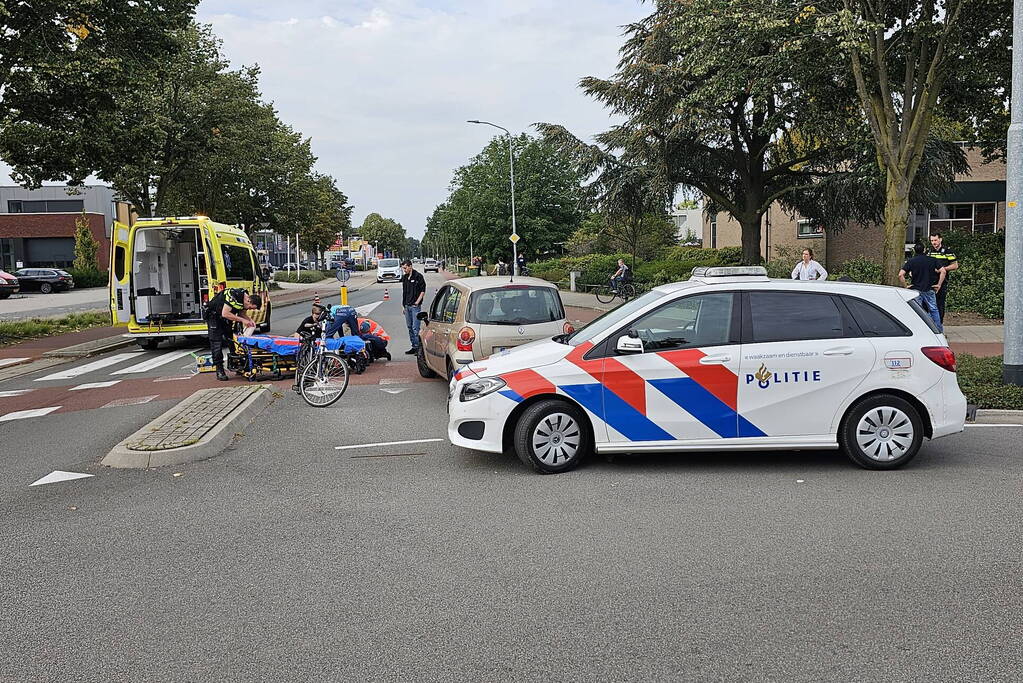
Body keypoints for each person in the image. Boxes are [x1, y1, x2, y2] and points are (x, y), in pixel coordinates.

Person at [203, 287, 261, 381]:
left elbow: (242, 313)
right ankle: (219, 370)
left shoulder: (245, 300)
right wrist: (243, 320)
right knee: (217, 343)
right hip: (214, 316)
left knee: (232, 341)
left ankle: (237, 365)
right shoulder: (234, 296)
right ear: (248, 300)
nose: (249, 309)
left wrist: (250, 321)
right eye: (250, 307)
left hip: (225, 318)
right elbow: (225, 313)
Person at [899, 243, 946, 331]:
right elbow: (943, 271)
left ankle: (920, 330)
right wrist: (939, 284)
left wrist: (906, 286)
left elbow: (900, 275)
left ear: (915, 250)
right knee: (934, 310)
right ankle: (938, 330)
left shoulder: (911, 261)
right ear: (924, 250)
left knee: (918, 311)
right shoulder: (932, 260)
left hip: (916, 290)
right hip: (929, 288)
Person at [927, 232, 958, 324]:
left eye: (935, 240)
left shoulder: (948, 251)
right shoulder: (929, 251)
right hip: (930, 281)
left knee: (940, 303)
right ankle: (931, 324)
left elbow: (955, 265)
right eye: (932, 240)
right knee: (929, 304)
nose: (934, 242)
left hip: (942, 281)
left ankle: (939, 324)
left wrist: (942, 269)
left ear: (940, 239)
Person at [400, 259, 426, 354]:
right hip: (407, 306)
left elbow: (423, 290)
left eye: (405, 268)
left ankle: (419, 349)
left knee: (415, 328)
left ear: (410, 266)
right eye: (403, 268)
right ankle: (414, 346)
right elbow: (404, 292)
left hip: (415, 306)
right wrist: (403, 306)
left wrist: (417, 302)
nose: (404, 270)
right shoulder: (405, 278)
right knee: (410, 327)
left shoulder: (418, 276)